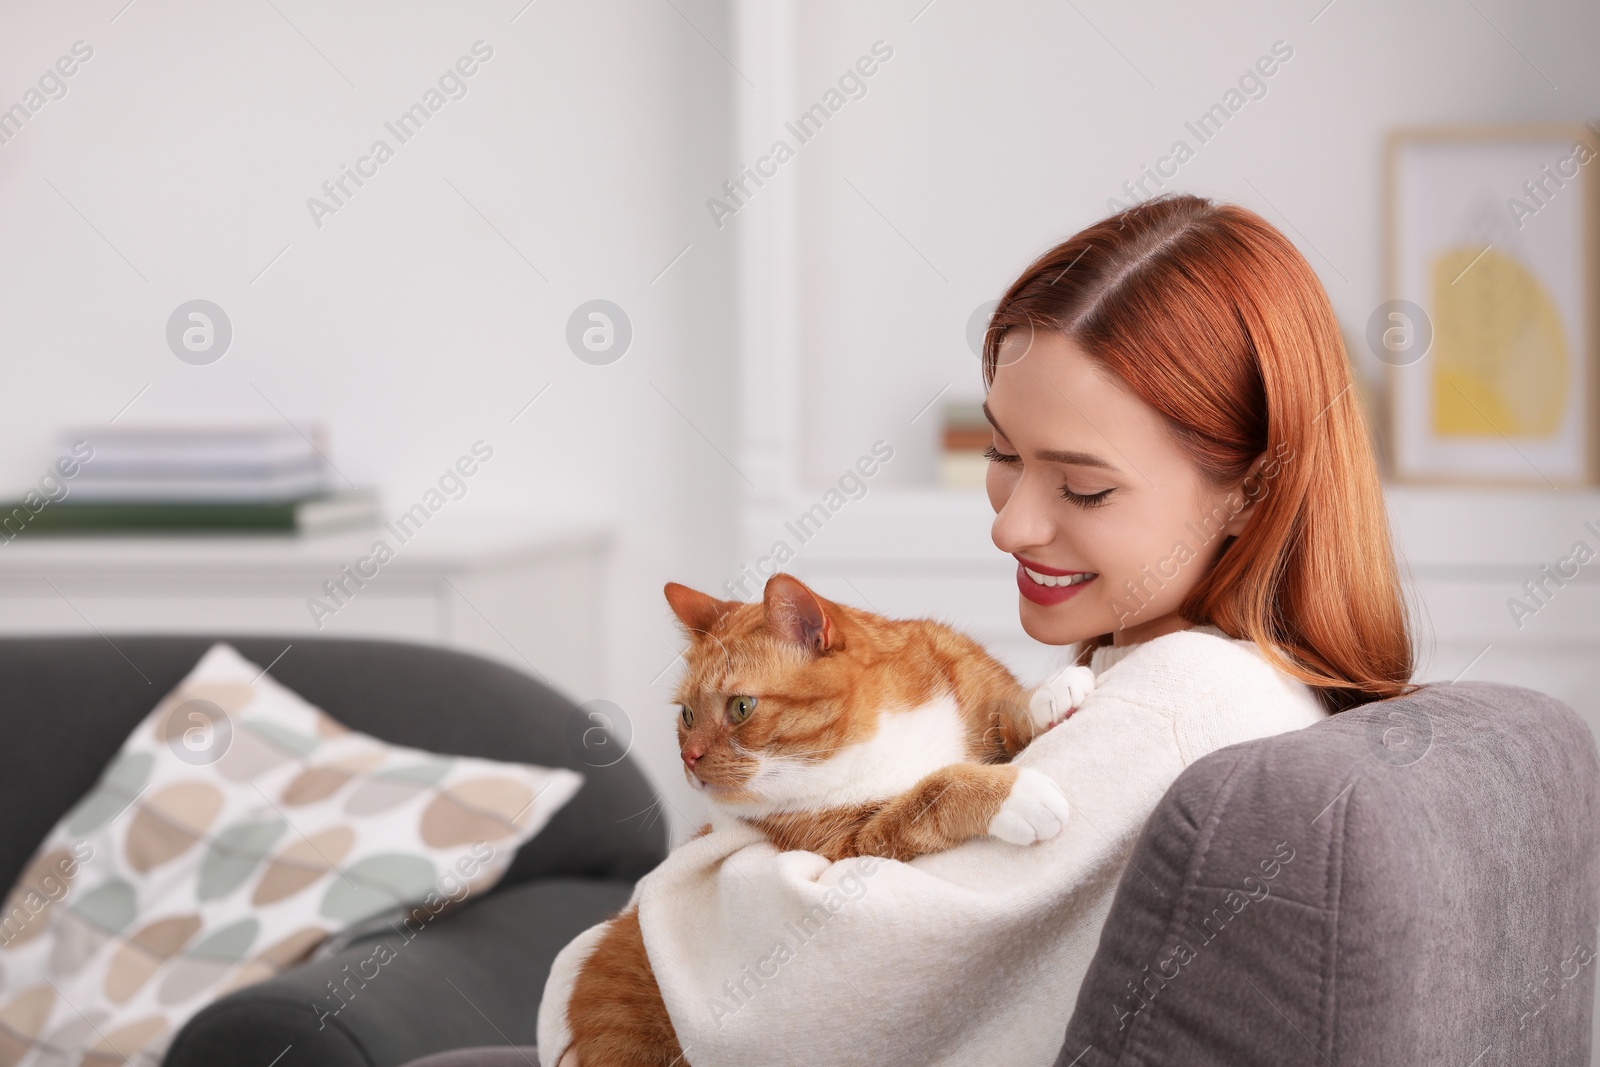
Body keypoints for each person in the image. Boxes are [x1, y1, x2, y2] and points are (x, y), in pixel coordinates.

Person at [534, 193, 1417, 1066]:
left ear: (1253, 488)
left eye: (1084, 487)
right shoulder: (1253, 680)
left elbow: (791, 1000)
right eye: (1001, 455)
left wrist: (672, 900)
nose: (1011, 526)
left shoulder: (1181, 705)